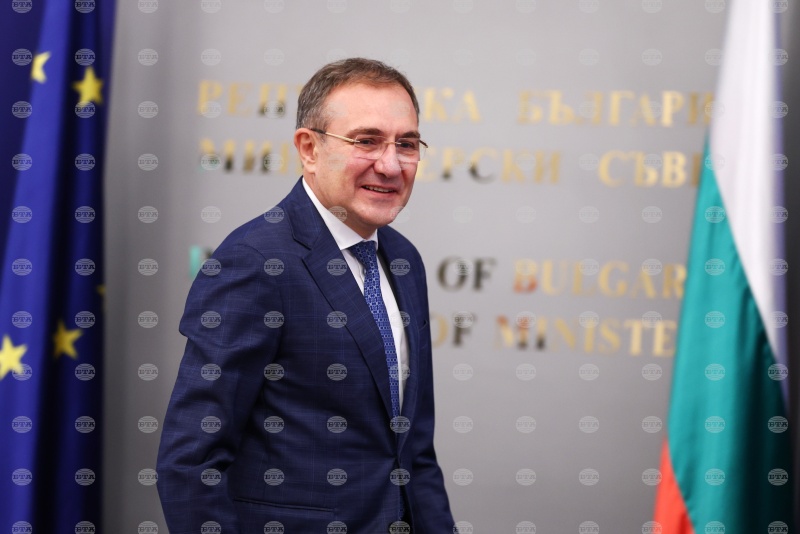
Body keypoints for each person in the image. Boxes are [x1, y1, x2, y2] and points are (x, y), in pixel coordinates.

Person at [156, 58, 454, 533]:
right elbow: (191, 461)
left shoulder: (403, 259)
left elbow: (414, 451)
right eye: (366, 141)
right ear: (309, 148)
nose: (390, 164)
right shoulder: (256, 261)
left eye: (407, 144)